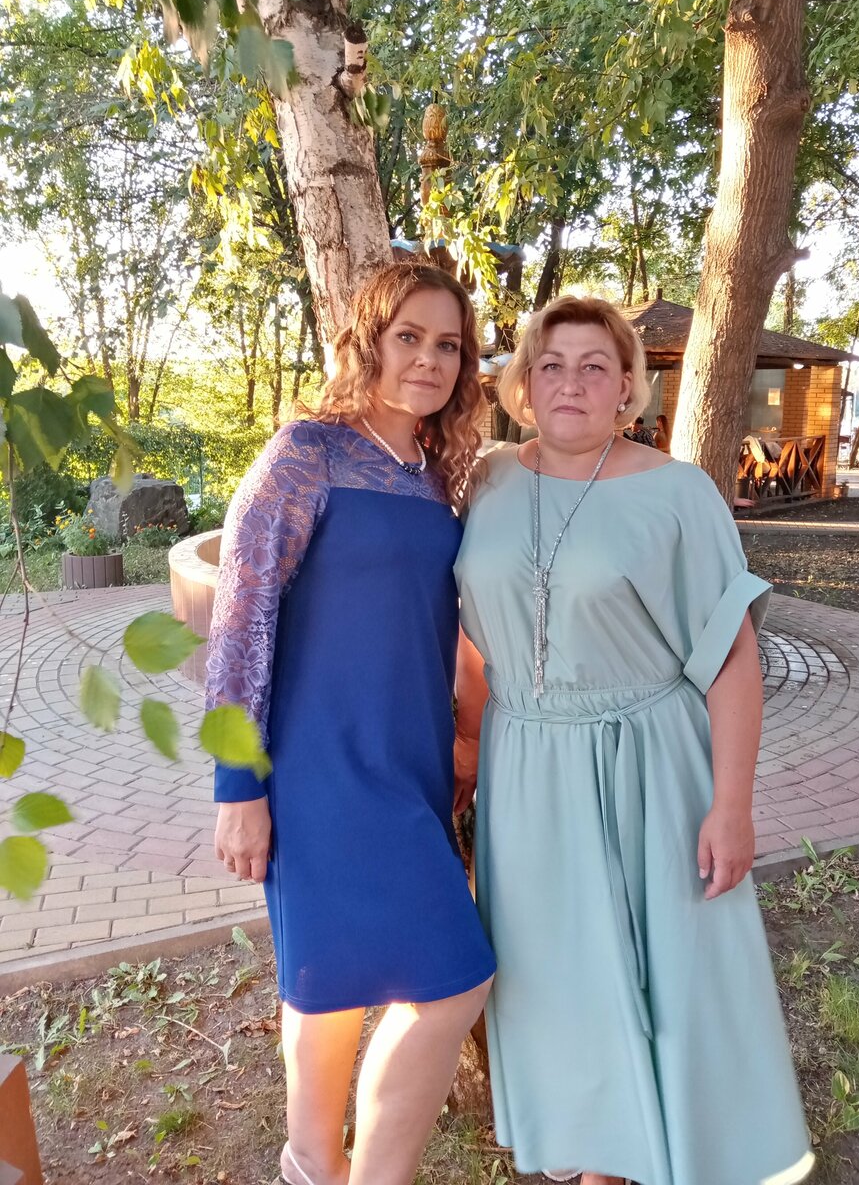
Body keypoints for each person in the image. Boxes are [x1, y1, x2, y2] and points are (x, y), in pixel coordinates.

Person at [453, 294, 813, 1185]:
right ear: (523, 383)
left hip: (648, 763)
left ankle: (672, 1151)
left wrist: (733, 806)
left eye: (594, 366)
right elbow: (473, 635)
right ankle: (591, 1152)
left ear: (626, 388)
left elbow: (731, 656)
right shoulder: (486, 481)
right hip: (524, 768)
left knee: (668, 969)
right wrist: (464, 752)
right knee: (552, 971)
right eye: (551, 364)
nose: (570, 382)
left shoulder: (677, 492)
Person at [206, 262, 495, 1185]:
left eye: (448, 344)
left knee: (344, 979)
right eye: (409, 336)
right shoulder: (307, 452)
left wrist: (462, 737)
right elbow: (241, 620)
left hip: (410, 763)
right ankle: (343, 1168)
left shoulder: (436, 472)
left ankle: (309, 1162)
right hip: (318, 769)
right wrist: (237, 787)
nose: (429, 359)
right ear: (367, 341)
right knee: (446, 980)